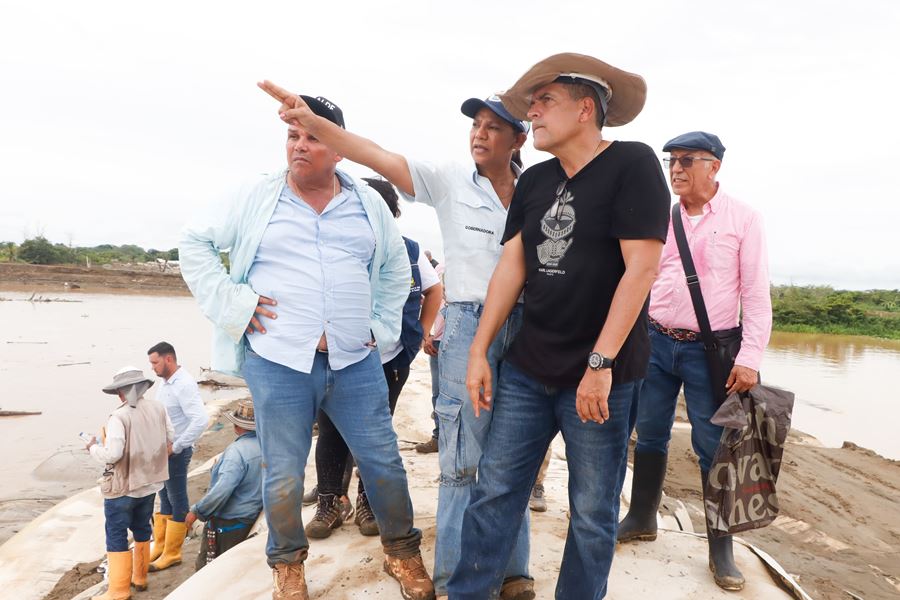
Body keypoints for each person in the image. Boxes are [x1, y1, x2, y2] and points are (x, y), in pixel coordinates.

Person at [258, 79, 535, 600]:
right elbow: (379, 157)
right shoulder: (450, 179)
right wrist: (315, 125)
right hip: (469, 322)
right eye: (475, 125)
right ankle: (457, 579)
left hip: (530, 327)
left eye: (493, 127)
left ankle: (515, 571)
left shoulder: (539, 187)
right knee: (461, 459)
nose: (479, 135)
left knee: (514, 456)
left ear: (518, 139)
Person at [179, 93, 432, 600]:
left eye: (313, 136)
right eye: (293, 136)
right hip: (279, 361)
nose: (300, 146)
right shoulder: (257, 197)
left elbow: (393, 271)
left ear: (338, 148)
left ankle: (402, 553)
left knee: (383, 462)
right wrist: (235, 303)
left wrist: (382, 329)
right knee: (285, 473)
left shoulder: (365, 204)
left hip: (354, 359)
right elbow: (195, 243)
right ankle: (287, 566)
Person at [448, 53, 671, 599]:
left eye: (544, 101)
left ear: (585, 108)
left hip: (602, 378)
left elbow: (641, 268)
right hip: (529, 368)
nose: (533, 114)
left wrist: (601, 363)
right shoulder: (537, 179)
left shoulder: (633, 164)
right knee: (495, 491)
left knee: (593, 510)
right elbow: (512, 266)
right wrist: (480, 351)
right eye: (531, 104)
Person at [617, 131, 771, 591]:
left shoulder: (744, 219)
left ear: (714, 166)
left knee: (714, 447)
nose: (676, 169)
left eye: (686, 160)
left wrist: (750, 358)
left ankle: (720, 548)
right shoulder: (660, 218)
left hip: (714, 351)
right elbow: (637, 279)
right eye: (671, 161)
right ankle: (642, 515)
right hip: (656, 342)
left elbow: (756, 296)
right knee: (650, 432)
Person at [305, 177, 442, 538]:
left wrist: (423, 331)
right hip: (336, 358)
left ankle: (369, 502)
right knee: (331, 429)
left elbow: (433, 289)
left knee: (375, 433)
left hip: (389, 361)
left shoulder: (409, 250)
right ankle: (330, 501)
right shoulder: (332, 246)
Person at [86, 367, 173, 600]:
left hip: (123, 487)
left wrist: (93, 448)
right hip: (151, 483)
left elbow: (113, 454)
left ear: (122, 392)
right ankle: (140, 578)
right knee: (143, 528)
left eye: (119, 391)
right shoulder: (158, 408)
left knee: (116, 533)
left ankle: (119, 591)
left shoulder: (119, 416)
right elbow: (170, 437)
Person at [146, 341, 208, 572]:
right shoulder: (165, 383)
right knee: (165, 499)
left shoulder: (183, 384)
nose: (152, 367)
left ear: (168, 359)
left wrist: (178, 446)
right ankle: (160, 547)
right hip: (162, 452)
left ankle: (173, 553)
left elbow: (200, 420)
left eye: (155, 362)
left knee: (177, 499)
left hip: (175, 454)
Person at [186, 399, 262, 570]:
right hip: (252, 518)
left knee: (208, 570)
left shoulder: (236, 453)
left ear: (237, 426)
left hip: (230, 523)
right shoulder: (267, 446)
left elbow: (222, 490)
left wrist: (197, 511)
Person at [416, 264, 445, 455]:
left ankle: (450, 440)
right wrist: (427, 334)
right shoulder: (440, 269)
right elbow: (429, 300)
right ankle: (438, 438)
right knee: (437, 393)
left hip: (462, 341)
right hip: (437, 340)